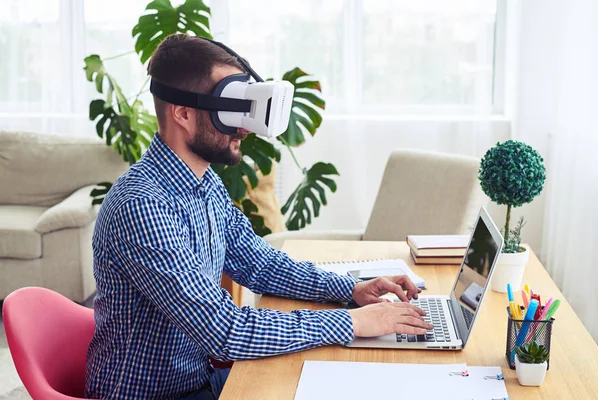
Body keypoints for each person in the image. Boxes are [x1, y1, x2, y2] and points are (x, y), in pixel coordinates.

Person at [85, 33, 433, 400]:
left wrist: (350, 290)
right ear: (183, 113)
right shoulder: (142, 206)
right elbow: (224, 331)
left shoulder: (204, 184)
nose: (244, 128)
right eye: (230, 108)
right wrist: (351, 322)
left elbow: (260, 264)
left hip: (199, 380)